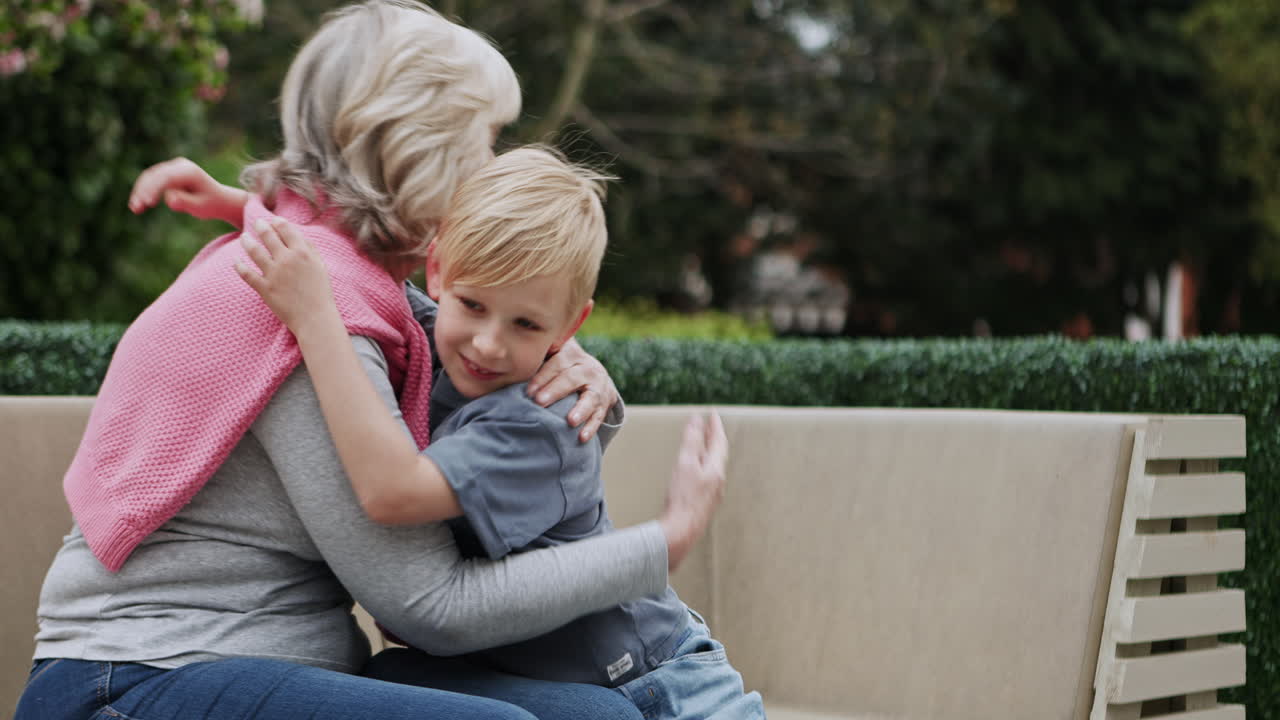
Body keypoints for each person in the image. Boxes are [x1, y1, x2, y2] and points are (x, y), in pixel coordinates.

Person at [14, 3, 724, 720]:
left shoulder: (330, 272)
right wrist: (658, 544)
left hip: (266, 664)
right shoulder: (308, 310)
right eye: (487, 140)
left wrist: (563, 355)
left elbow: (451, 308)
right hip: (133, 679)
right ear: (418, 148)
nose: (495, 164)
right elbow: (433, 605)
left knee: (602, 718)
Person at [235, 146, 763, 720]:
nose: (488, 343)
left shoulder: (538, 419)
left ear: (570, 326)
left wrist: (315, 318)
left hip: (663, 687)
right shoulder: (436, 331)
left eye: (526, 324)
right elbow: (358, 256)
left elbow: (397, 492)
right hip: (537, 678)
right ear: (437, 272)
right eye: (474, 304)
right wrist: (236, 206)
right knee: (392, 673)